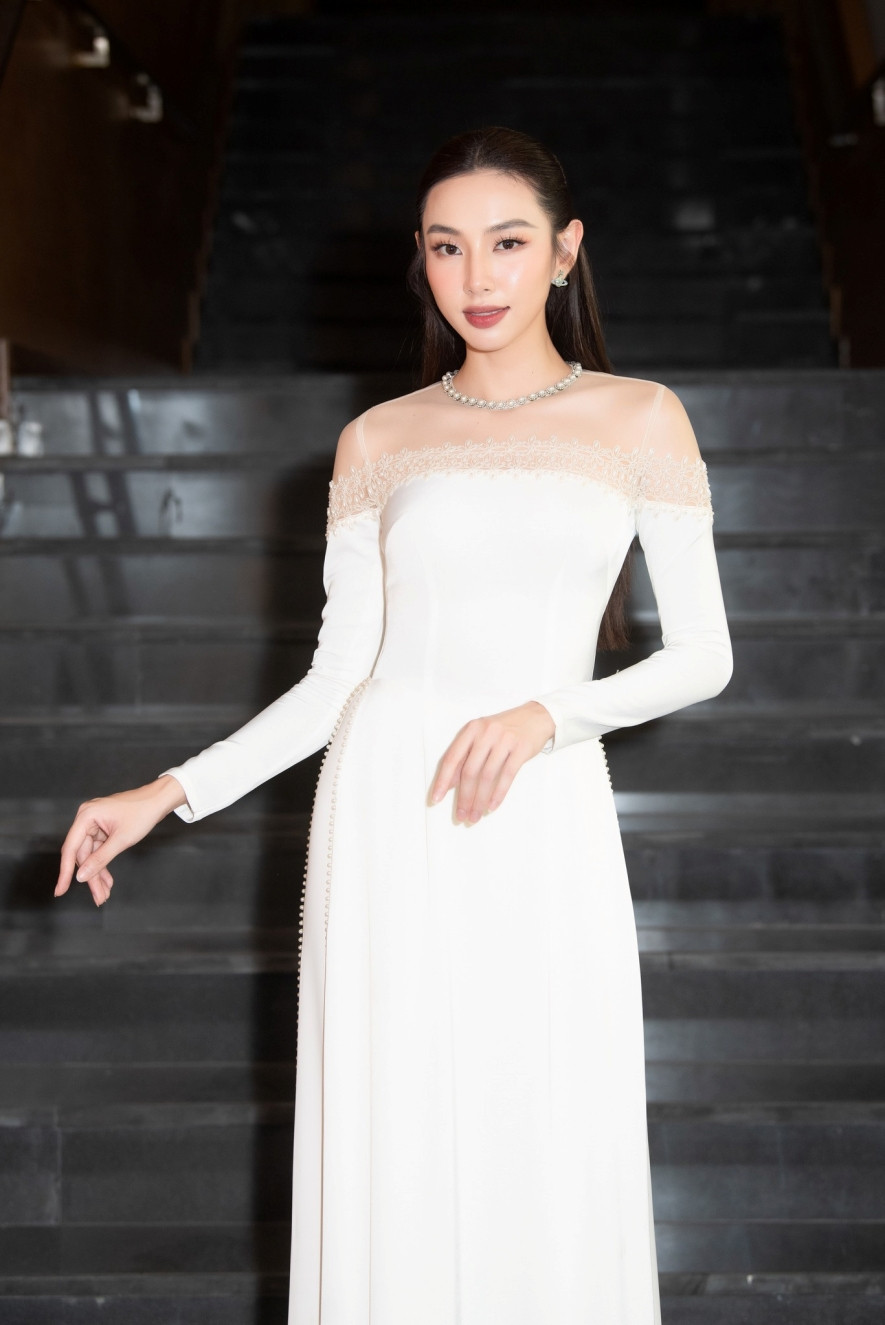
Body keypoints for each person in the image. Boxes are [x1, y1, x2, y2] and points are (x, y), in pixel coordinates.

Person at [55, 125, 733, 1324]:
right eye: (447, 247)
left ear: (566, 252)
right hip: (388, 812)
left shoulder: (640, 418)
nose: (478, 275)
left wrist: (549, 712)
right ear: (421, 261)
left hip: (542, 806)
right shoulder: (379, 438)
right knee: (396, 1130)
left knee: (546, 1113)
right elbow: (336, 681)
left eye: (508, 243)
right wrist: (166, 792)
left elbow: (704, 657)